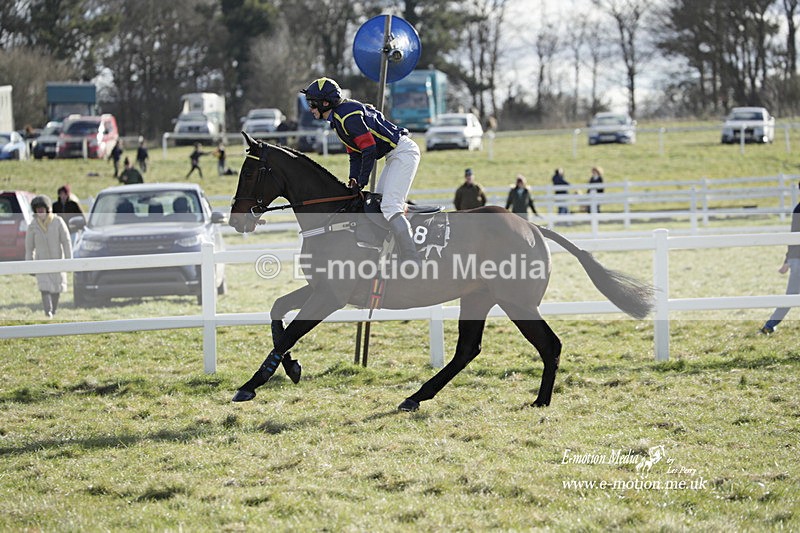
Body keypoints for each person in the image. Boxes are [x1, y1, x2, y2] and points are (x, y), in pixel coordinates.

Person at [301, 77, 422, 264]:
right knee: (379, 205)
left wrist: (362, 180)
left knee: (390, 207)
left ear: (325, 103)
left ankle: (412, 259)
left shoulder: (346, 117)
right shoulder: (338, 119)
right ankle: (391, 251)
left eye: (313, 103)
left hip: (404, 152)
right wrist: (353, 178)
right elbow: (355, 154)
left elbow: (369, 149)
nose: (310, 108)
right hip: (395, 155)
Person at [760, 180, 800, 334]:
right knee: (791, 295)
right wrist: (788, 260)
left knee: (791, 295)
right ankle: (769, 325)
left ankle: (770, 325)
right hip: (798, 260)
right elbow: (794, 238)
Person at [25, 195, 72, 318]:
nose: (40, 212)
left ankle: (54, 310)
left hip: (57, 261)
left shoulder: (58, 222)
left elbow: (66, 241)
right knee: (44, 287)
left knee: (56, 288)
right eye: (37, 209)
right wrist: (29, 264)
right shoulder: (33, 226)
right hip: (41, 262)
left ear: (47, 209)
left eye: (42, 209)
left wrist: (69, 260)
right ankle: (48, 311)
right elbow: (29, 247)